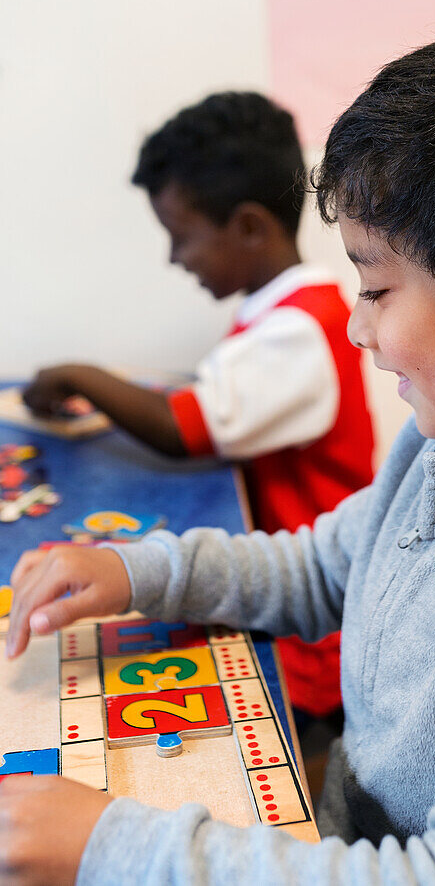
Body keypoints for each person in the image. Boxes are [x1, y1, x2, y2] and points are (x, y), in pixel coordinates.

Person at [3, 26, 435, 886]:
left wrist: (118, 847)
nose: (357, 328)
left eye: (375, 289)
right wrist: (139, 571)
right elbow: (325, 568)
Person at [21, 90, 375, 724]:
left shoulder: (302, 332)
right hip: (277, 588)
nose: (173, 258)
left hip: (309, 639)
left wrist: (83, 375)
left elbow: (182, 430)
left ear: (247, 226)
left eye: (181, 237)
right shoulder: (276, 314)